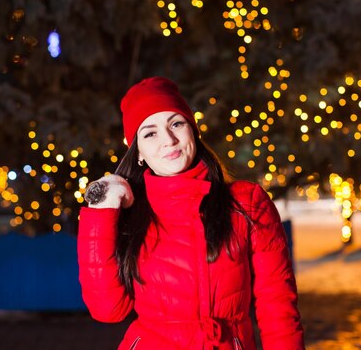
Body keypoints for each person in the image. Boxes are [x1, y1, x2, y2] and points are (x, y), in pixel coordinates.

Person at [77, 77, 304, 350]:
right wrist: (102, 210)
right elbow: (108, 309)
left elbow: (277, 304)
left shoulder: (247, 202)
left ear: (193, 131)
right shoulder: (129, 210)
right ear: (138, 152)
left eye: (176, 123)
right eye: (150, 133)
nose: (169, 140)